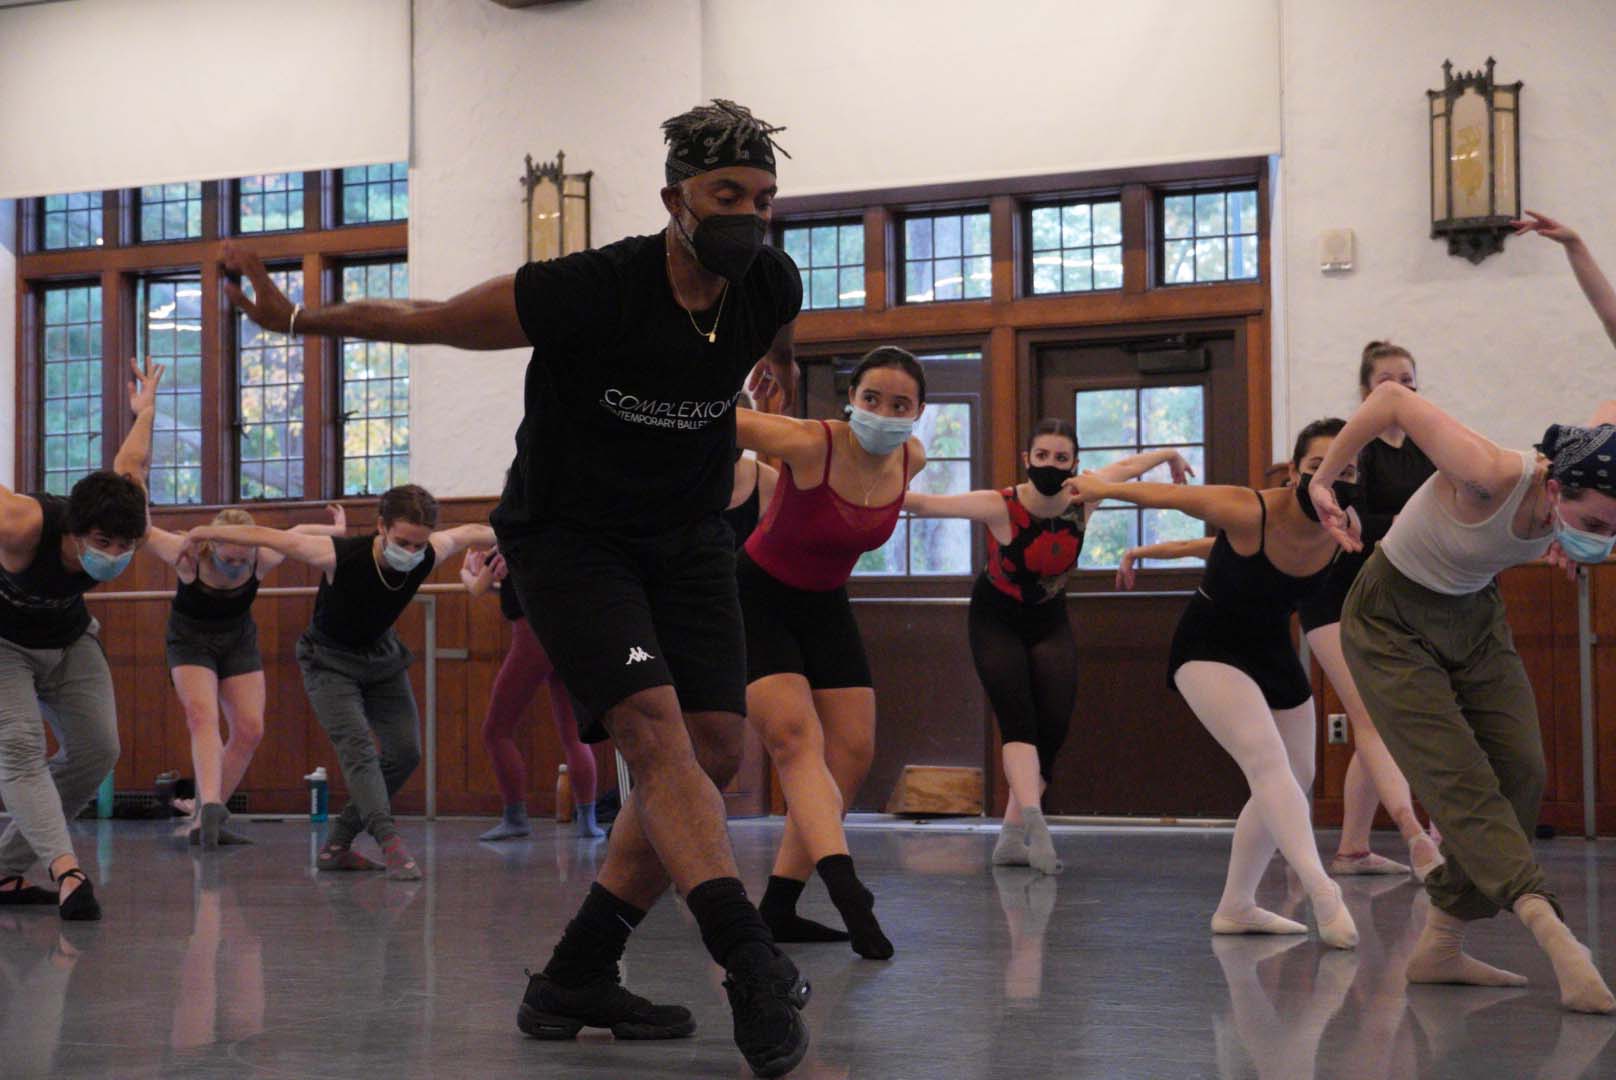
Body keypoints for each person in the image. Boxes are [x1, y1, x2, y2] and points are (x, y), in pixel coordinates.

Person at [222, 99, 811, 1077]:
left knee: (712, 750)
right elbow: (437, 320)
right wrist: (297, 317)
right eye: (724, 197)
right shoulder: (592, 288)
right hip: (572, 542)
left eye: (761, 197)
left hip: (689, 537)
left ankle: (574, 976)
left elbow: (774, 334)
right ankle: (746, 954)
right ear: (675, 199)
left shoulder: (769, 280)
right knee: (655, 738)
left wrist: (777, 370)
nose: (747, 215)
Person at [1308, 383, 1616, 1013]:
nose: (1602, 542)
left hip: (1474, 612)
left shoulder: (1591, 461)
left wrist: (1569, 535)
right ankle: (1554, 934)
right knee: (1462, 780)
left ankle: (1441, 945)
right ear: (1556, 489)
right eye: (1593, 526)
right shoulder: (1489, 473)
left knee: (1522, 770)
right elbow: (1391, 397)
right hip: (1390, 619)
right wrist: (1326, 479)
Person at [1071, 419, 1362, 949]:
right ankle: (1323, 888)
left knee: (1297, 776)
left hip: (1271, 647)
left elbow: (1210, 548)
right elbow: (1171, 497)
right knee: (1267, 762)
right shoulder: (1250, 508)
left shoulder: (1346, 524)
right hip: (1210, 645)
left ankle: (1237, 905)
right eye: (1321, 467)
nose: (1335, 479)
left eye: (1348, 469)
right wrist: (1103, 488)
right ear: (1297, 471)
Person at [905, 419, 1193, 875]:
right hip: (995, 619)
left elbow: (1128, 465)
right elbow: (923, 503)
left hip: (1049, 619)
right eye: (1042, 456)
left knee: (1053, 727)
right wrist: (864, 486)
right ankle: (1036, 827)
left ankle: (1009, 839)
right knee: (1018, 719)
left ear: (1074, 464)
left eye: (1062, 458)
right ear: (1027, 459)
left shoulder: (1085, 496)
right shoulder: (999, 504)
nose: (1051, 465)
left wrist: (1169, 456)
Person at [189, 485, 493, 881]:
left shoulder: (431, 551)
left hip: (381, 657)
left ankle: (338, 842)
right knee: (359, 749)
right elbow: (270, 537)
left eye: (419, 545)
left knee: (405, 752)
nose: (413, 553)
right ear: (381, 527)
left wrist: (537, 530)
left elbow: (472, 531)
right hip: (328, 661)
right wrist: (201, 533)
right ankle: (388, 840)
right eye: (403, 542)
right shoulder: (338, 555)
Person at [733, 347, 928, 959]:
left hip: (824, 604)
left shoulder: (910, 458)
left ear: (919, 413)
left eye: (900, 404)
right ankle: (849, 894)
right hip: (758, 595)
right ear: (852, 399)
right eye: (872, 399)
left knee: (852, 751)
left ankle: (782, 905)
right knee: (795, 742)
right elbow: (711, 416)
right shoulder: (812, 443)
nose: (884, 413)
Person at [0, 357, 164, 921]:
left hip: (69, 637)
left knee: (99, 751)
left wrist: (145, 411)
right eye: (101, 543)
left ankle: (5, 868)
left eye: (125, 546)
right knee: (20, 749)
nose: (113, 556)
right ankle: (68, 873)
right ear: (72, 530)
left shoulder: (128, 510)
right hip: (3, 644)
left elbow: (131, 460)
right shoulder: (22, 524)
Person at [1295, 342, 1442, 880]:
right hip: (1333, 598)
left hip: (1390, 596)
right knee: (1376, 718)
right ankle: (1417, 835)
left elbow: (1439, 510)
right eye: (1388, 381)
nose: (1401, 388)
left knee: (1382, 719)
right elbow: (1356, 521)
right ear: (1367, 392)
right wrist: (1397, 524)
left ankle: (1353, 848)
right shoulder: (1357, 451)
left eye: (1409, 379)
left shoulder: (1426, 448)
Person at [143, 504, 348, 848]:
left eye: (243, 559)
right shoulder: (188, 555)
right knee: (202, 717)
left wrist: (337, 531)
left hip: (238, 640)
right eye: (229, 560)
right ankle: (208, 805)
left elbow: (295, 533)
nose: (237, 566)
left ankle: (207, 815)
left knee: (250, 730)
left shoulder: (263, 557)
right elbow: (143, 533)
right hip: (190, 641)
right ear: (212, 546)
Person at [460, 545, 603, 841]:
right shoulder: (560, 542)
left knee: (495, 731)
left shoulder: (509, 542)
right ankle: (588, 821)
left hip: (533, 636)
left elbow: (476, 588)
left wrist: (466, 572)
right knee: (573, 735)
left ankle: (515, 817)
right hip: (570, 634)